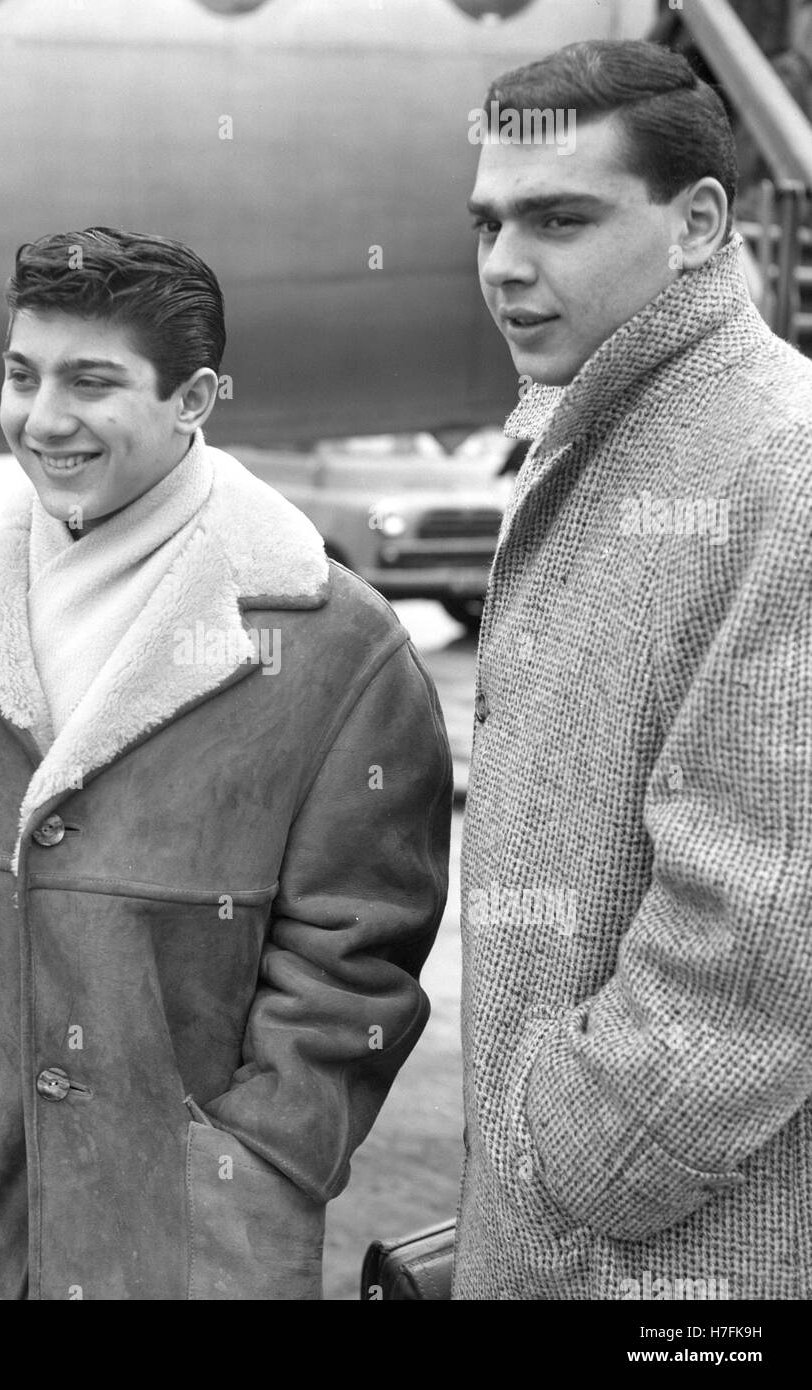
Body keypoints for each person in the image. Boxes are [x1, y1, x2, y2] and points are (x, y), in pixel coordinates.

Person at [0, 227, 453, 1300]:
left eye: (92, 381)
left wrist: (256, 1159)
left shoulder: (334, 642)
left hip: (180, 1245)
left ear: (194, 397)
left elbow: (358, 960)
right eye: (23, 374)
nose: (43, 416)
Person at [457, 38, 812, 1301]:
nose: (505, 264)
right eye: (489, 221)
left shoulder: (780, 461)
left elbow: (771, 915)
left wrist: (578, 1152)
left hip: (675, 1262)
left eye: (560, 219)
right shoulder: (613, 427)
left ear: (699, 222)